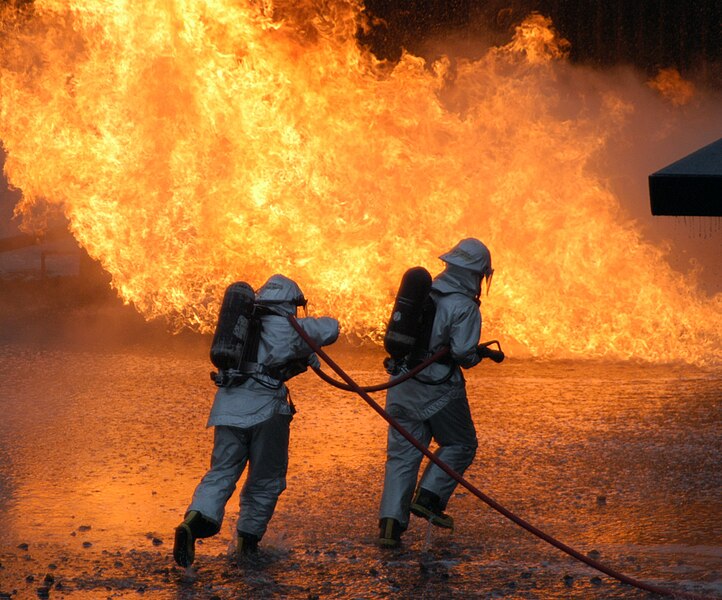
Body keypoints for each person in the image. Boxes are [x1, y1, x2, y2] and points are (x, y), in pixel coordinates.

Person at [173, 274, 339, 566]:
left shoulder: (243, 325)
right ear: (290, 302)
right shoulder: (289, 327)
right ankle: (247, 543)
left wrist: (303, 356)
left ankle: (193, 522)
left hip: (227, 408)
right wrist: (305, 340)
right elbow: (331, 328)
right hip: (265, 412)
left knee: (221, 472)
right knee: (265, 479)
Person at [378, 238, 494, 548]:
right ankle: (429, 498)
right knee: (461, 443)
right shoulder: (464, 306)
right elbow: (464, 354)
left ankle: (390, 528)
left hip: (401, 386)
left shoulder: (423, 292)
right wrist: (480, 355)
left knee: (402, 456)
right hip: (437, 389)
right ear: (477, 273)